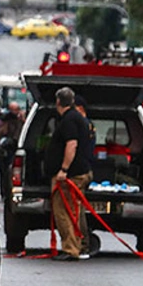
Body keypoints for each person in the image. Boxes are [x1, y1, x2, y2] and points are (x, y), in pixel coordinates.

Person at [45, 87, 93, 261]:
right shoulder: (76, 118)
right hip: (77, 172)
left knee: (63, 212)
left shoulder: (69, 120)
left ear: (58, 102)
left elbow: (71, 145)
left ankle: (71, 249)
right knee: (73, 211)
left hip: (70, 175)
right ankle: (77, 245)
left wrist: (63, 169)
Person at [74, 94, 97, 259]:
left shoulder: (82, 126)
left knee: (76, 210)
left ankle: (82, 243)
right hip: (86, 170)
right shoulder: (89, 126)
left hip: (79, 172)